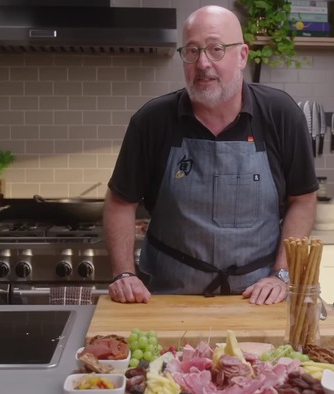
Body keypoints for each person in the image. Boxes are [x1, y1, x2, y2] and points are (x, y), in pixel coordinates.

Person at [104, 5, 318, 305]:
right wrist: (124, 274)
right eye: (192, 51)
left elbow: (304, 200)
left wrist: (281, 273)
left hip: (257, 299)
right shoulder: (152, 120)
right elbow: (120, 202)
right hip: (167, 298)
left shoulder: (281, 115)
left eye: (216, 49)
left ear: (242, 55)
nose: (203, 63)